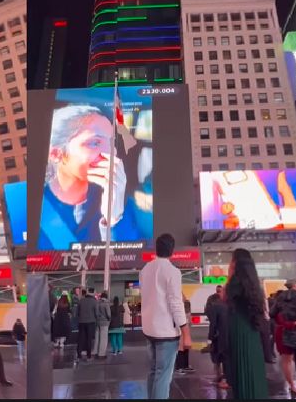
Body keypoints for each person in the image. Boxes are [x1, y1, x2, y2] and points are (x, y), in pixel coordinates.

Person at [39, 105, 142, 250]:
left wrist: (113, 219)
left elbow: (128, 260)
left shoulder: (119, 201)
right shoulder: (33, 207)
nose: (110, 153)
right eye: (94, 143)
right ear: (56, 154)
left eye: (112, 143)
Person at [139, 233, 192, 399]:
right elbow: (176, 303)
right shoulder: (173, 272)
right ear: (172, 251)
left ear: (156, 248)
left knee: (154, 372)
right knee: (163, 376)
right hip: (166, 333)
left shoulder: (144, 270)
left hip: (149, 330)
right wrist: (186, 332)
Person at [224, 249, 269, 399]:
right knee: (253, 367)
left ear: (236, 263)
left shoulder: (235, 282)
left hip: (239, 329)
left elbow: (225, 297)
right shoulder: (253, 283)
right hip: (252, 331)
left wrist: (229, 275)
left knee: (242, 367)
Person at [271, 279, 296, 397]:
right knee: (294, 360)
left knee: (288, 360)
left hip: (283, 332)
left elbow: (272, 313)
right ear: (295, 285)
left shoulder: (280, 298)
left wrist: (283, 321)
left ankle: (293, 386)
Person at [207, 288, 230, 389]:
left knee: (219, 356)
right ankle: (226, 377)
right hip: (231, 336)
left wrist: (210, 338)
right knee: (228, 357)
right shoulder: (230, 306)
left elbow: (213, 324)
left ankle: (223, 378)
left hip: (220, 336)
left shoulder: (215, 307)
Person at [174, 294, 195, 375]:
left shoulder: (186, 305)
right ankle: (179, 367)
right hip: (179, 331)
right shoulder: (178, 307)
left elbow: (188, 317)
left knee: (186, 348)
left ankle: (185, 365)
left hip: (185, 330)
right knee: (180, 349)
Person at [75, 288, 98, 361]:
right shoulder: (94, 302)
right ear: (93, 293)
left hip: (81, 322)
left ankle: (79, 355)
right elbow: (97, 313)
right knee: (89, 339)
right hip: (91, 322)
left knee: (80, 338)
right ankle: (88, 355)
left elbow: (77, 313)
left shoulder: (81, 301)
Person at [94, 291, 111, 359]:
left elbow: (95, 313)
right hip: (104, 322)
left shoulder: (97, 303)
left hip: (98, 322)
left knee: (97, 338)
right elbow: (108, 314)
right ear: (106, 297)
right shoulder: (106, 304)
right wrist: (109, 319)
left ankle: (96, 352)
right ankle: (101, 354)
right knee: (103, 338)